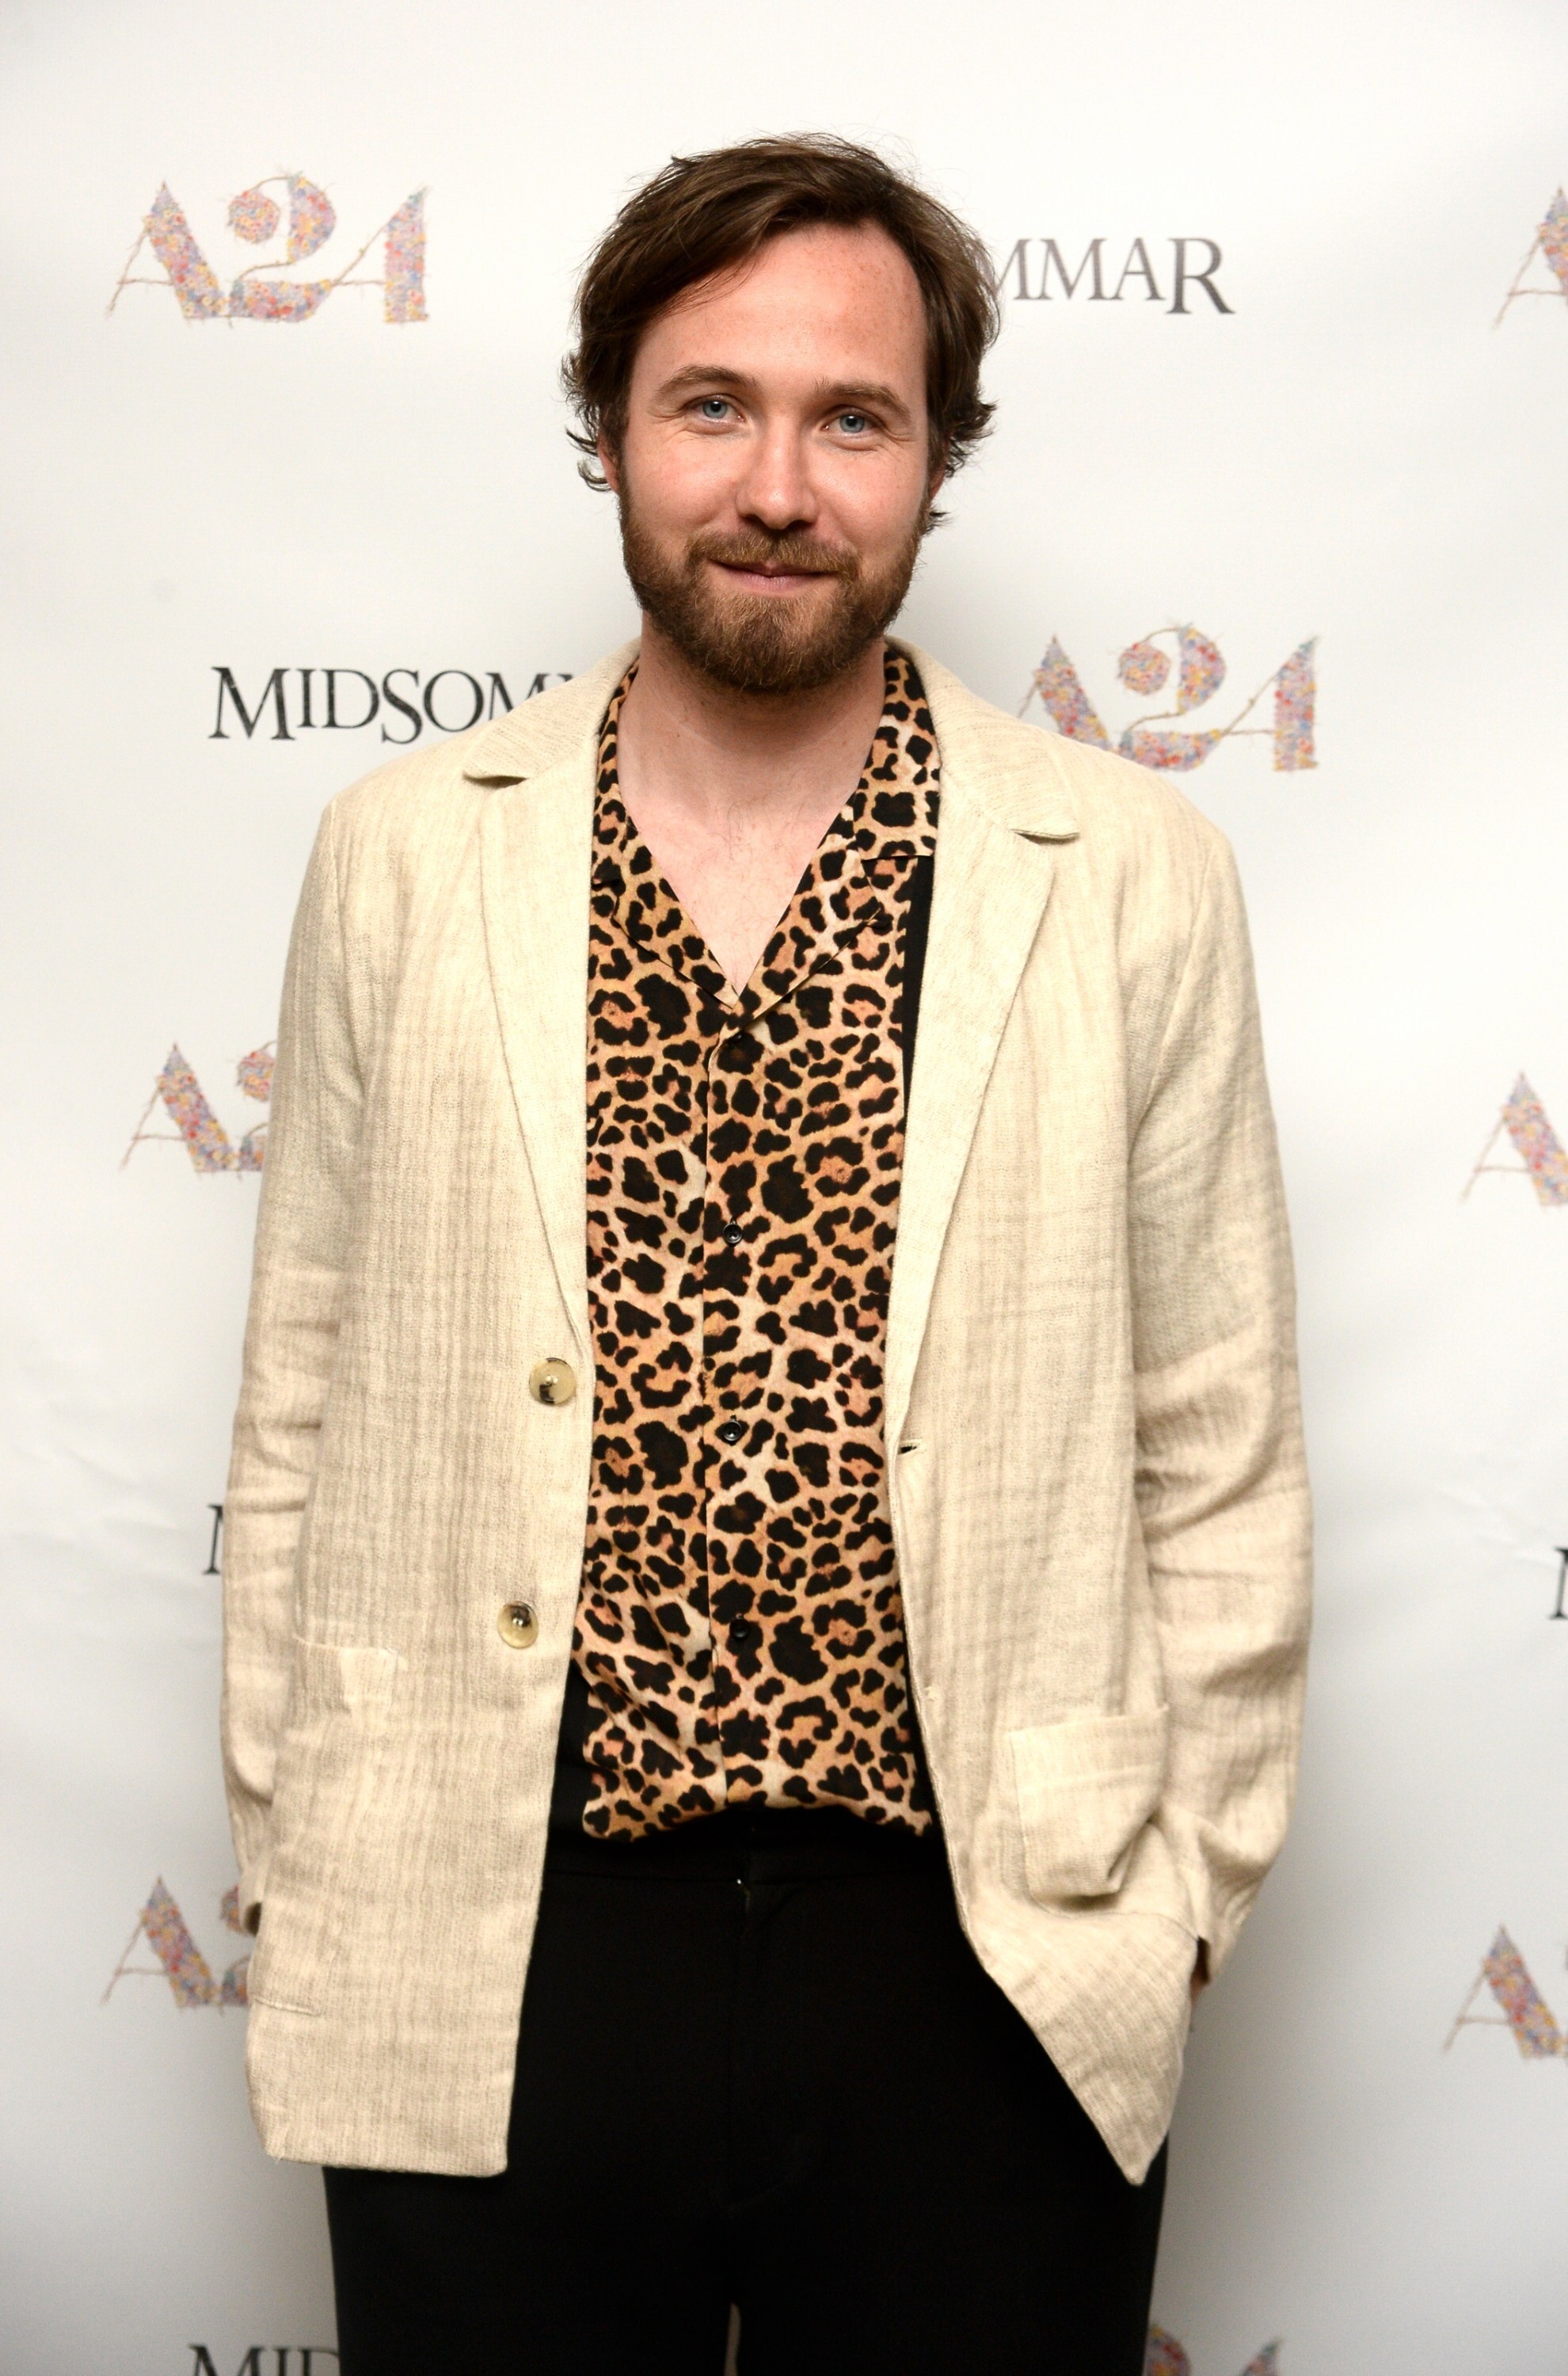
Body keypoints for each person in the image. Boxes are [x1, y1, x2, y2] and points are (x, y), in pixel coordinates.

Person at [222, 134, 1311, 2376]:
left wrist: (1170, 1906)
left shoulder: (1123, 872)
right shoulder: (406, 854)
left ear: (935, 459)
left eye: (854, 418)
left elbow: (1214, 1426)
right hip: (502, 1930)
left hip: (982, 1953)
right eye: (709, 403)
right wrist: (291, 1837)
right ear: (610, 425)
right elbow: (303, 1385)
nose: (777, 486)